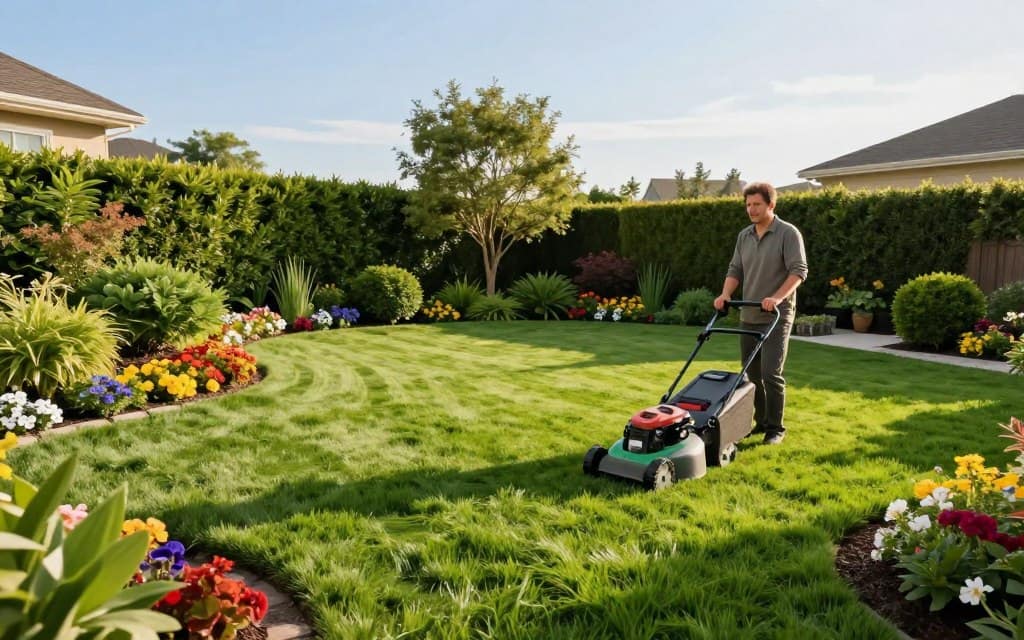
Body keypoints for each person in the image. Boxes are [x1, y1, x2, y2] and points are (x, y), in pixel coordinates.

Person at [713, 182, 807, 445]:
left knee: (770, 373)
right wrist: (725, 294)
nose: (751, 209)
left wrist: (777, 298)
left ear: (771, 205)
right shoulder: (744, 236)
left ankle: (776, 429)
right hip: (750, 313)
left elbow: (799, 271)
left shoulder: (787, 233)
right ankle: (761, 421)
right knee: (752, 375)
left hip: (777, 314)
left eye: (757, 204)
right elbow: (735, 269)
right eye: (748, 205)